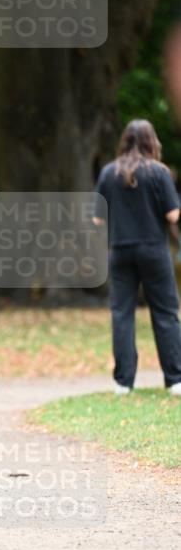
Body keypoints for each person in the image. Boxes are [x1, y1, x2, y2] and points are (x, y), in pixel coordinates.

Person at [93, 118, 181, 396]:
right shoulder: (158, 172)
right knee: (165, 313)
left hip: (120, 250)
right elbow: (173, 215)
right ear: (151, 142)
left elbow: (97, 219)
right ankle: (175, 379)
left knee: (122, 314)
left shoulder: (109, 173)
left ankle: (123, 382)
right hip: (154, 249)